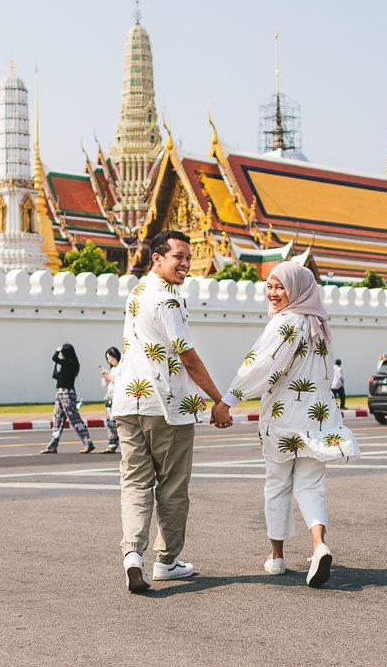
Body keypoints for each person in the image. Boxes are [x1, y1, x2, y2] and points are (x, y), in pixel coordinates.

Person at [224, 258, 359, 588]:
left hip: (283, 420)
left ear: (297, 289)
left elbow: (261, 364)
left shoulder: (287, 323)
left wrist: (229, 399)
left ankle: (277, 556)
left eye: (280, 286)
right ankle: (319, 545)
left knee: (277, 485)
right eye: (269, 286)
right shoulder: (319, 324)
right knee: (310, 486)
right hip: (318, 419)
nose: (273, 292)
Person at [113, 230, 233, 594]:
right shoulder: (169, 298)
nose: (185, 263)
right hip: (165, 405)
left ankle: (132, 554)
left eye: (188, 257)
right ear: (157, 258)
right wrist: (219, 399)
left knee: (135, 482)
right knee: (173, 486)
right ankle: (166, 561)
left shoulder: (137, 291)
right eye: (178, 256)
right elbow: (189, 357)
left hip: (127, 402)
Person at [42, 344, 94, 454]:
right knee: (57, 419)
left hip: (67, 394)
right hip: (60, 393)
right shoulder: (68, 364)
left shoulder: (70, 363)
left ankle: (88, 443)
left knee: (74, 419)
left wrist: (57, 350)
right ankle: (52, 445)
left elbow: (54, 358)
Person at [98, 347, 122, 454]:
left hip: (118, 399)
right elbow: (109, 384)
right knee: (109, 422)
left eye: (111, 357)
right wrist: (105, 376)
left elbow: (119, 382)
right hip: (109, 398)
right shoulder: (112, 369)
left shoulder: (121, 368)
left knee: (116, 422)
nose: (109, 360)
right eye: (107, 358)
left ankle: (117, 442)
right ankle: (112, 443)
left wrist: (108, 374)